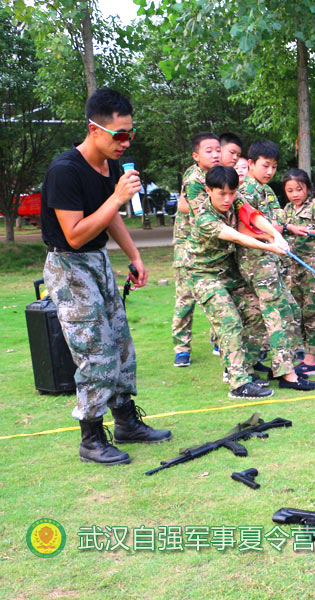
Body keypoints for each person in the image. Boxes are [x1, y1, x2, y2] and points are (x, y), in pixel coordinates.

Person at [41, 88, 171, 466]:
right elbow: (75, 233)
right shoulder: (65, 171)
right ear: (93, 129)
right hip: (69, 265)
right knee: (95, 351)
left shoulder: (110, 166)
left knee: (120, 344)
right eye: (119, 135)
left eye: (131, 133)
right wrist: (116, 197)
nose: (125, 142)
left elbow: (110, 217)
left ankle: (127, 421)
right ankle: (91, 436)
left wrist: (134, 255)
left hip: (97, 261)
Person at [187, 166, 289, 398]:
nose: (227, 199)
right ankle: (238, 383)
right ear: (207, 190)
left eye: (231, 193)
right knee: (229, 321)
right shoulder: (203, 216)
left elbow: (253, 216)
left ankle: (242, 368)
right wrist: (270, 245)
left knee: (257, 311)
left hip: (228, 272)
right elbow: (236, 236)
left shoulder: (236, 199)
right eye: (221, 193)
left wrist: (277, 234)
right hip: (204, 274)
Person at [237, 142, 315, 391]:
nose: (270, 171)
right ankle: (286, 374)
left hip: (272, 261)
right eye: (265, 165)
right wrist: (273, 237)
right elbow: (244, 228)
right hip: (256, 261)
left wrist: (285, 231)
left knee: (281, 312)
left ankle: (255, 367)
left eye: (273, 166)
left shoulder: (267, 191)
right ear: (250, 164)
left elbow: (278, 223)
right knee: (278, 314)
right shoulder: (244, 192)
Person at [171, 132, 221, 367]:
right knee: (186, 298)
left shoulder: (214, 176)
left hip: (206, 246)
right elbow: (186, 206)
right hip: (187, 247)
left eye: (217, 150)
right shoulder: (194, 176)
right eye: (209, 151)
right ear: (196, 156)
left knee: (215, 292)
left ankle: (218, 340)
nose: (215, 154)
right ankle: (182, 348)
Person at [283, 169, 315, 376]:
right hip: (294, 268)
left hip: (314, 267)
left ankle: (313, 359)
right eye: (290, 190)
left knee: (312, 312)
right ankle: (305, 354)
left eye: (299, 189)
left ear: (308, 189)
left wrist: (307, 231)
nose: (295, 194)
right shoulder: (287, 210)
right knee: (297, 311)